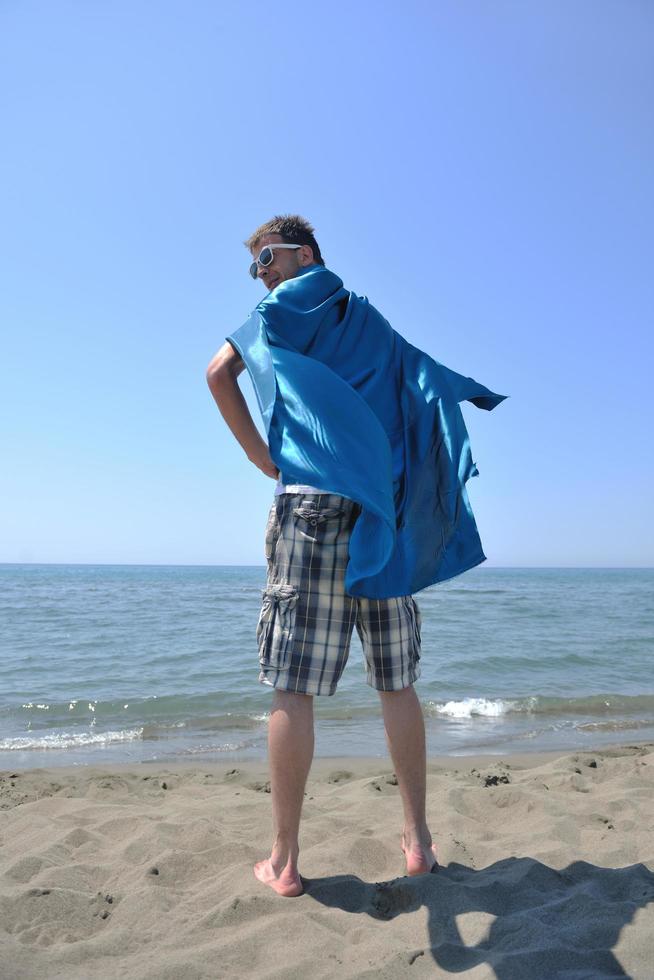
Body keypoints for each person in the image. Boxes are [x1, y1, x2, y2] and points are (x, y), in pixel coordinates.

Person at [206, 215, 505, 898]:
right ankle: (419, 844)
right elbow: (421, 387)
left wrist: (261, 456)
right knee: (395, 682)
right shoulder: (370, 322)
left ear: (304, 254)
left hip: (310, 505)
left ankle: (283, 862)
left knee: (293, 685)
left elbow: (218, 372)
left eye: (267, 259)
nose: (262, 274)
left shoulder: (282, 306)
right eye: (255, 266)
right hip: (380, 514)